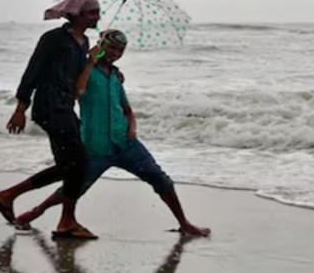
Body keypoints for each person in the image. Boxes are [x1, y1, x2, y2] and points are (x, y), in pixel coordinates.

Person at [14, 29, 210, 237]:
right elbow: (77, 92)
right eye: (111, 48)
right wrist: (90, 62)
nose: (115, 53)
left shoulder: (116, 77)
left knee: (160, 179)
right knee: (74, 189)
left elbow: (127, 110)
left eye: (120, 50)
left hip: (125, 144)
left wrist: (132, 129)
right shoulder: (85, 71)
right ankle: (36, 212)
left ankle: (184, 223)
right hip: (95, 146)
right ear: (101, 46)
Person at [0, 0, 101, 239]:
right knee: (75, 163)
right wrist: (20, 109)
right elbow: (32, 72)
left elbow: (78, 81)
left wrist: (99, 63)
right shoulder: (53, 39)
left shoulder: (83, 42)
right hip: (49, 106)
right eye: (92, 12)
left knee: (73, 165)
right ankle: (14, 198)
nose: (97, 16)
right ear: (77, 14)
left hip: (66, 106)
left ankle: (13, 199)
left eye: (97, 12)